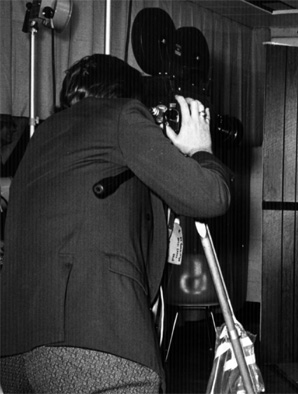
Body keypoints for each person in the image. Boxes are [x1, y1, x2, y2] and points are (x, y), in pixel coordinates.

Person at [0, 54, 232, 393]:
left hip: (16, 347)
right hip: (93, 340)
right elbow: (210, 196)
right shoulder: (122, 114)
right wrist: (201, 151)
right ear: (127, 94)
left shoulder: (44, 135)